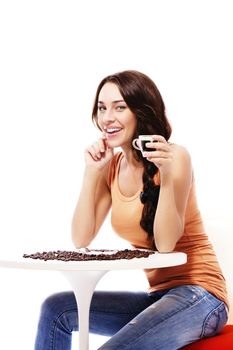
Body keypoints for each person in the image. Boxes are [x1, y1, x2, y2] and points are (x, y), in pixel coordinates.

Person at [35, 70, 228, 350]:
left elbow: (165, 244)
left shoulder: (175, 157)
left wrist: (166, 173)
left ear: (141, 111)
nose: (107, 117)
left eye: (119, 107)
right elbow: (81, 238)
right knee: (56, 309)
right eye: (102, 108)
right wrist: (91, 173)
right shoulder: (111, 167)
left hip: (202, 297)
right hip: (159, 296)